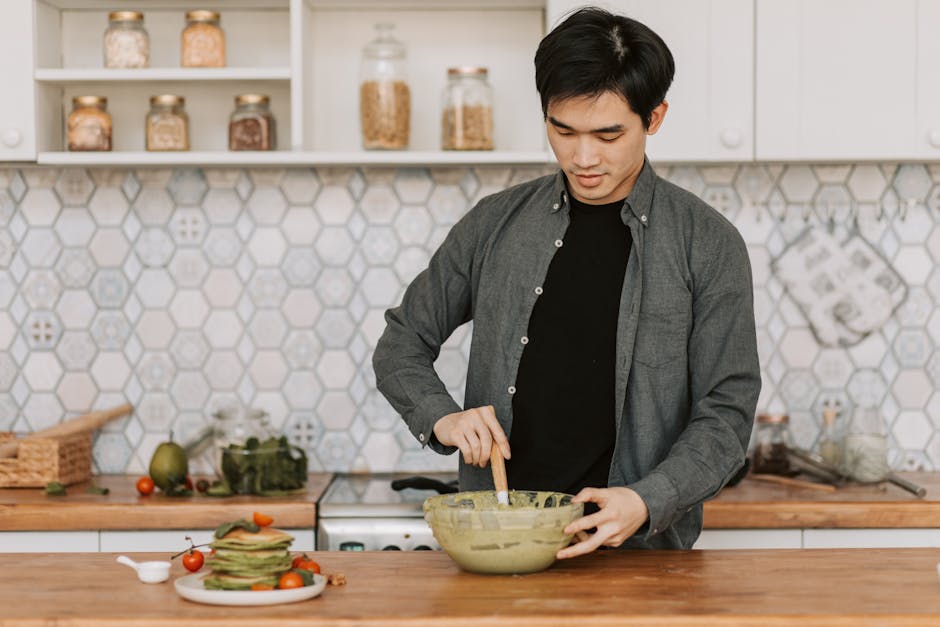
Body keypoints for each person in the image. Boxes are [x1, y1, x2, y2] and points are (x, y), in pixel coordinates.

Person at [372, 6, 761, 554]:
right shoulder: (494, 222)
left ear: (655, 118)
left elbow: (726, 412)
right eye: (563, 130)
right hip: (497, 546)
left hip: (639, 558)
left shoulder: (708, 243)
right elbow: (402, 343)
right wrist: (442, 419)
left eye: (608, 134)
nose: (583, 158)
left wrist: (649, 499)